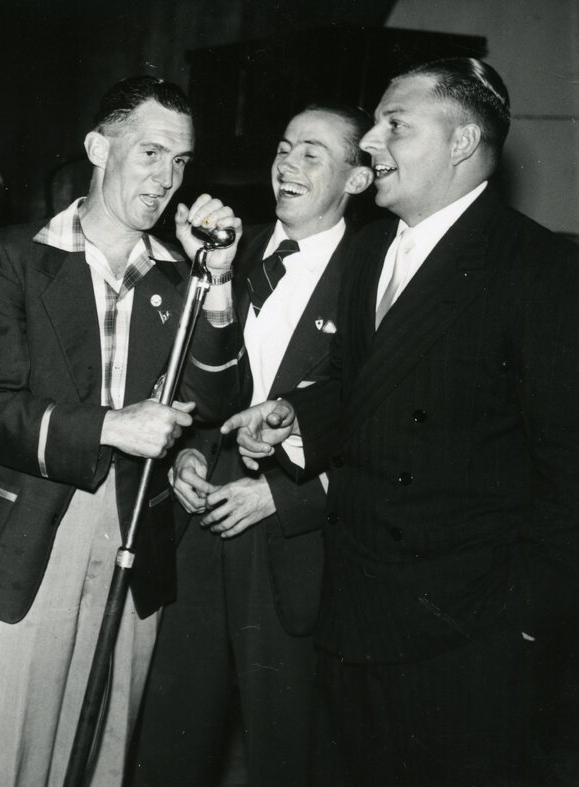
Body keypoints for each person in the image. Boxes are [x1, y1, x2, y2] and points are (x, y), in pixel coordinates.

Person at [224, 57, 579, 786]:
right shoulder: (368, 250)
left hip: (466, 637)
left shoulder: (537, 266)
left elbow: (569, 475)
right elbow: (363, 387)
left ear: (460, 142)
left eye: (395, 125)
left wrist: (520, 629)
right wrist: (296, 413)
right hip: (354, 611)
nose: (374, 144)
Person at [0, 75, 243, 785]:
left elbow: (215, 401)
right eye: (150, 153)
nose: (166, 178)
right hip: (30, 535)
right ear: (97, 147)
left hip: (135, 529)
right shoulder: (16, 256)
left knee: (103, 750)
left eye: (181, 161)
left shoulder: (181, 275)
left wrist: (221, 282)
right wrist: (112, 425)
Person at [131, 102, 373, 786]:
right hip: (201, 528)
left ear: (356, 179)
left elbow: (379, 421)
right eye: (284, 147)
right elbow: (197, 386)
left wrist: (280, 496)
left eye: (313, 154)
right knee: (170, 746)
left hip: (298, 544)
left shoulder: (374, 274)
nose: (288, 165)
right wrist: (184, 451)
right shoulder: (230, 251)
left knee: (288, 751)